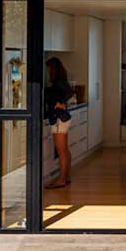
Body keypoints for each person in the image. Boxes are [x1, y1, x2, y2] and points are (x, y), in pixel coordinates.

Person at [45, 57, 74, 189]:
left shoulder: (58, 82)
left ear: (53, 69)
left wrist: (61, 103)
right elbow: (69, 91)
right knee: (65, 151)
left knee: (61, 151)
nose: (47, 71)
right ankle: (66, 177)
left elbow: (69, 92)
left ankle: (61, 180)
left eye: (48, 68)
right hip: (63, 119)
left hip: (59, 120)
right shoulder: (60, 81)